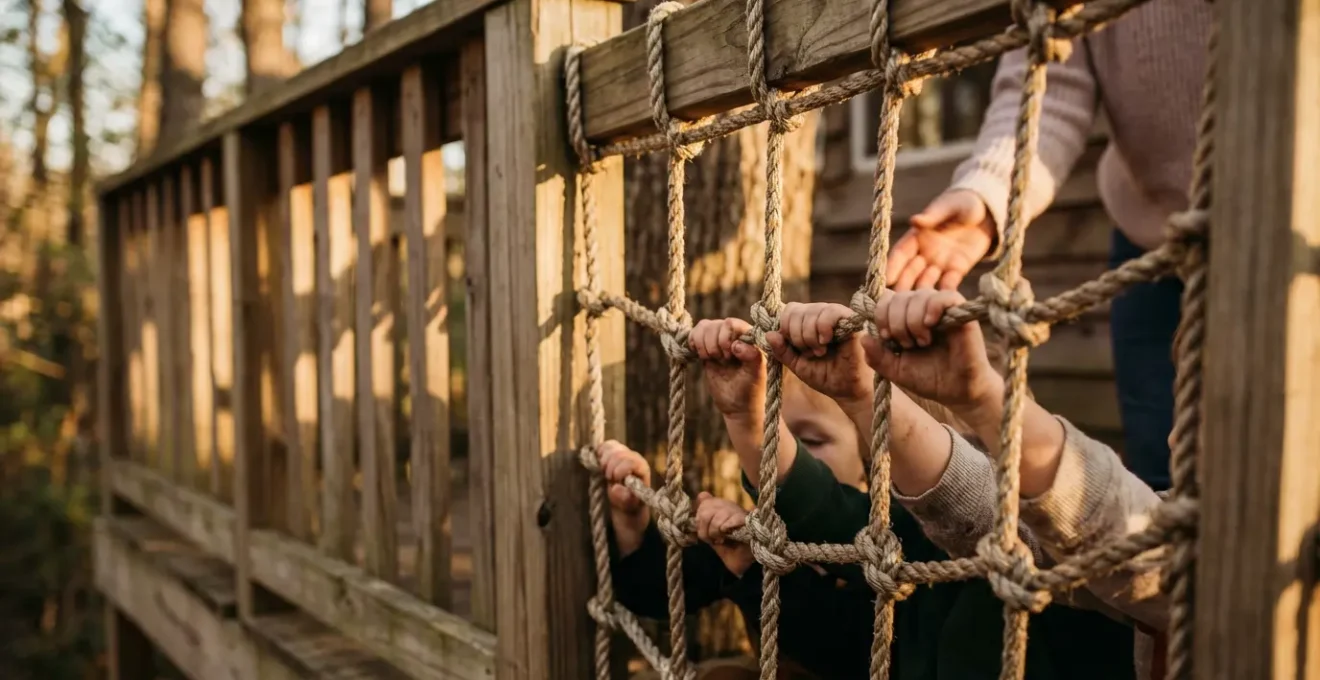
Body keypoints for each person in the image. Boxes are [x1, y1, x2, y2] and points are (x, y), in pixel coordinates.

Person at [606, 313, 1139, 678]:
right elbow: (663, 591)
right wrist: (633, 528)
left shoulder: (901, 544)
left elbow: (848, 643)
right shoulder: (762, 526)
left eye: (811, 440)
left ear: (874, 458)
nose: (796, 451)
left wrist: (751, 431)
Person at [886, 0, 1213, 492]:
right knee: (1164, 467)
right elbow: (1049, 83)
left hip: (1293, 228)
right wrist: (988, 194)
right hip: (1157, 239)